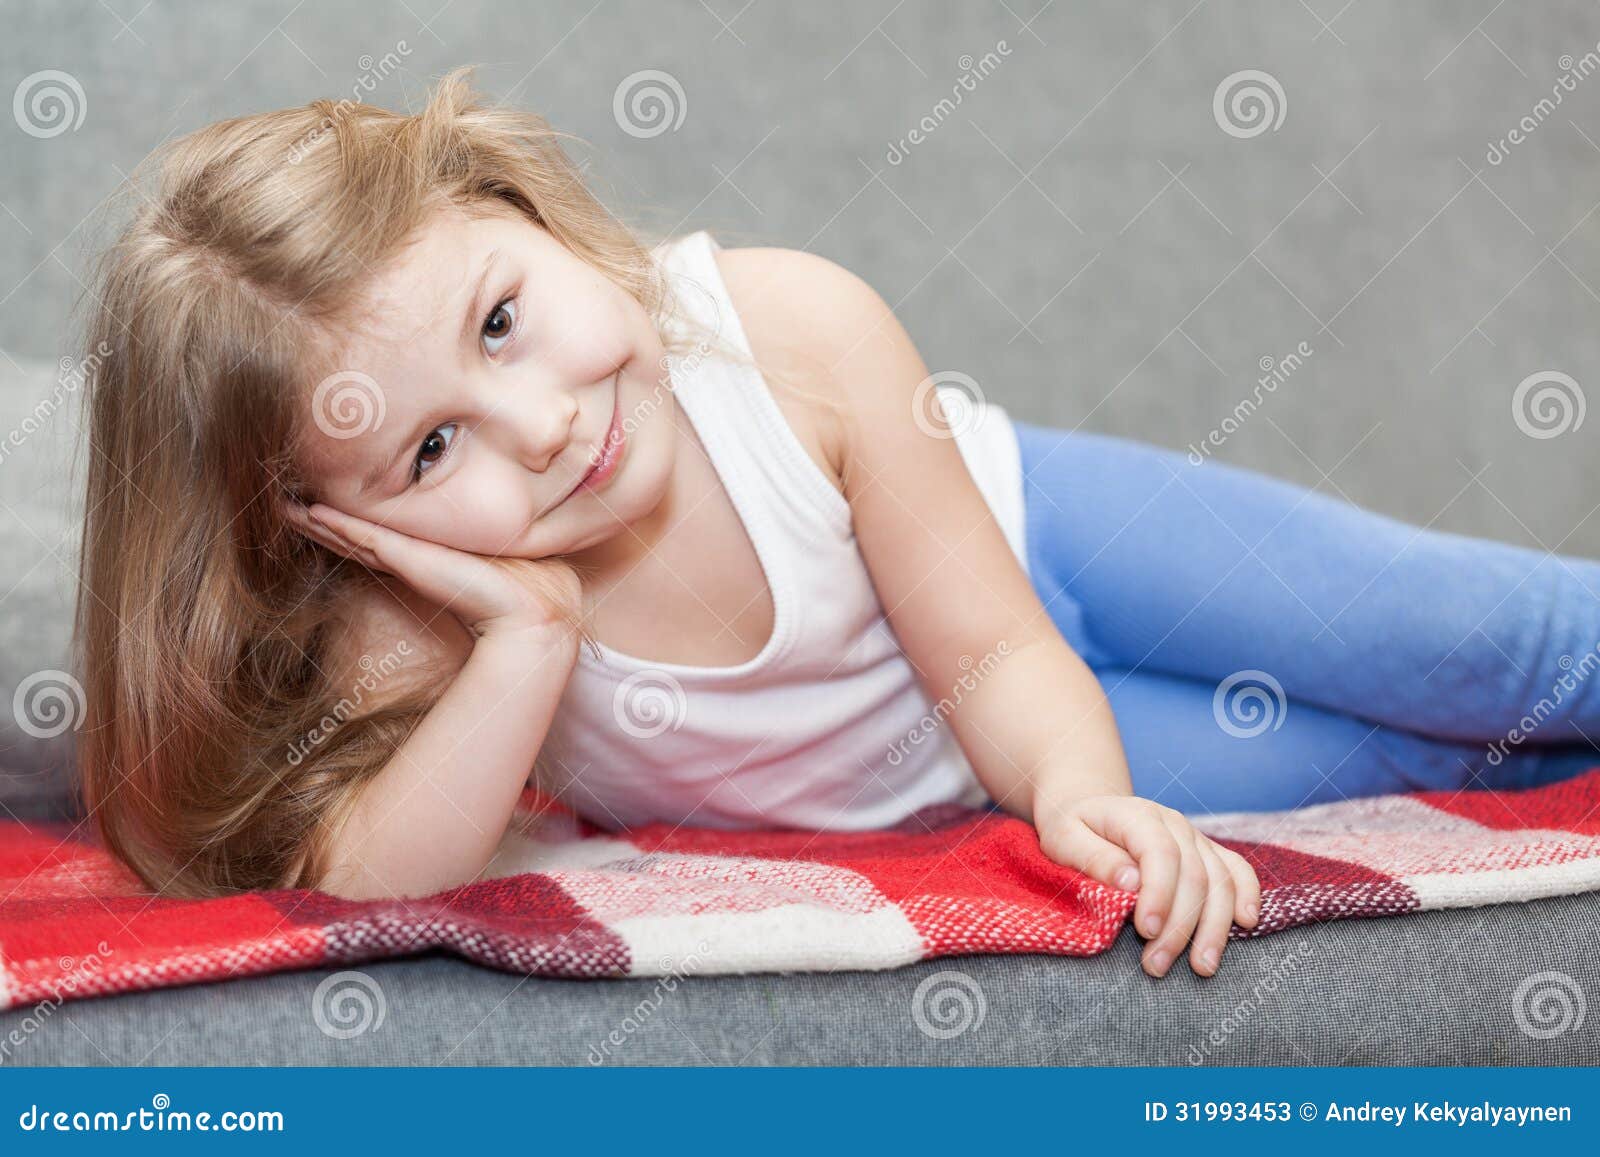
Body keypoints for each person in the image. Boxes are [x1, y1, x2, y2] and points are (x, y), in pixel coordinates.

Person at [73, 69, 1600, 982]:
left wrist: (1072, 788)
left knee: (1487, 643)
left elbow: (995, 646)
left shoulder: (791, 332)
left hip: (1046, 558)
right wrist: (525, 640)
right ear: (328, 528)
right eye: (425, 448)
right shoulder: (430, 619)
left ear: (518, 207)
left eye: (500, 319)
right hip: (969, 773)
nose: (538, 425)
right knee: (1432, 758)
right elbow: (355, 890)